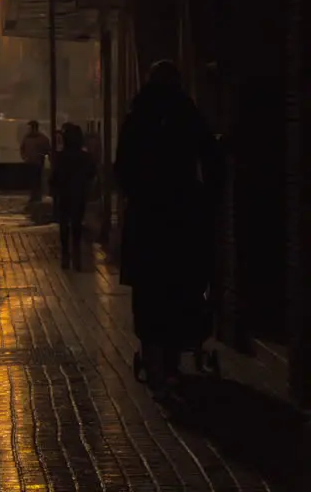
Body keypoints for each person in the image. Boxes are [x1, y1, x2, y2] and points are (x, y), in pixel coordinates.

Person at [114, 60, 219, 396]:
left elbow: (122, 170)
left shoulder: (137, 118)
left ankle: (153, 355)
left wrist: (139, 193)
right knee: (180, 287)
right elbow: (211, 158)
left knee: (148, 291)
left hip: (147, 218)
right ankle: (172, 360)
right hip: (182, 217)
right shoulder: (188, 115)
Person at [52, 123, 96, 270]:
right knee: (77, 224)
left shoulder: (61, 157)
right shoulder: (84, 157)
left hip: (64, 194)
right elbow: (91, 172)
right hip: (79, 193)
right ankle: (76, 253)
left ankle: (66, 254)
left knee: (64, 224)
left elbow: (55, 176)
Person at [20, 120, 52, 203]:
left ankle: (36, 196)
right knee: (33, 179)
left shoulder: (33, 138)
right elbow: (22, 148)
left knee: (36, 179)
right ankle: (34, 195)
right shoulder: (29, 137)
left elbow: (47, 149)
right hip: (31, 161)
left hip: (36, 161)